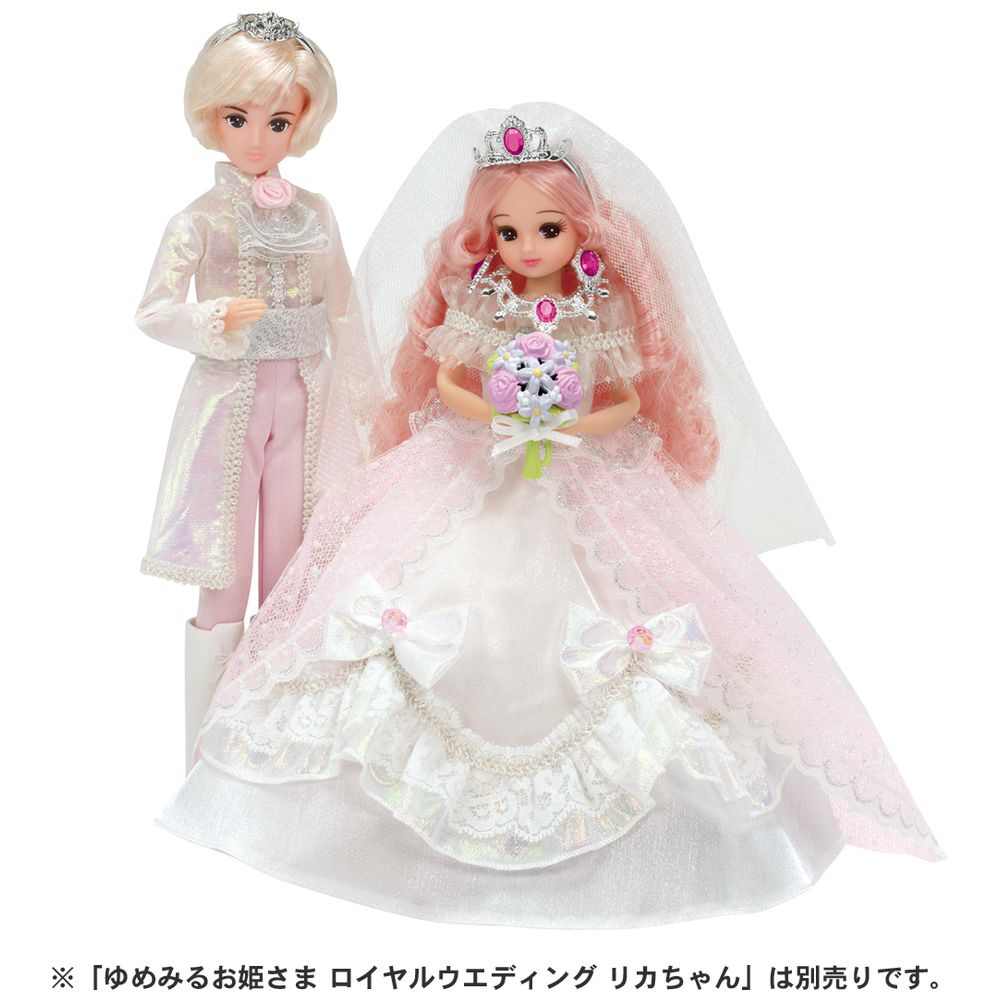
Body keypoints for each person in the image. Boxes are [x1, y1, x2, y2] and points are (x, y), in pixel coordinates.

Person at [159, 104, 939, 927]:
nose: (528, 248)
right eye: (508, 232)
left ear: (583, 231)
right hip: (478, 455)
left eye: (547, 229)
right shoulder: (486, 299)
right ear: (485, 236)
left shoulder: (596, 308)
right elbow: (450, 377)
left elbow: (626, 397)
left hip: (583, 465)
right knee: (421, 572)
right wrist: (497, 412)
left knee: (632, 591)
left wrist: (567, 421)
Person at [136, 13, 354, 770]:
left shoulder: (316, 214)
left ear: (303, 124)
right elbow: (154, 311)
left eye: (278, 121)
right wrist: (210, 319)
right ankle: (204, 754)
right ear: (211, 117)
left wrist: (368, 393)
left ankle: (278, 745)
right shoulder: (197, 222)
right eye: (238, 118)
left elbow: (343, 310)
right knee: (222, 570)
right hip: (228, 404)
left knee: (293, 568)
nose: (257, 138)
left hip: (306, 400)